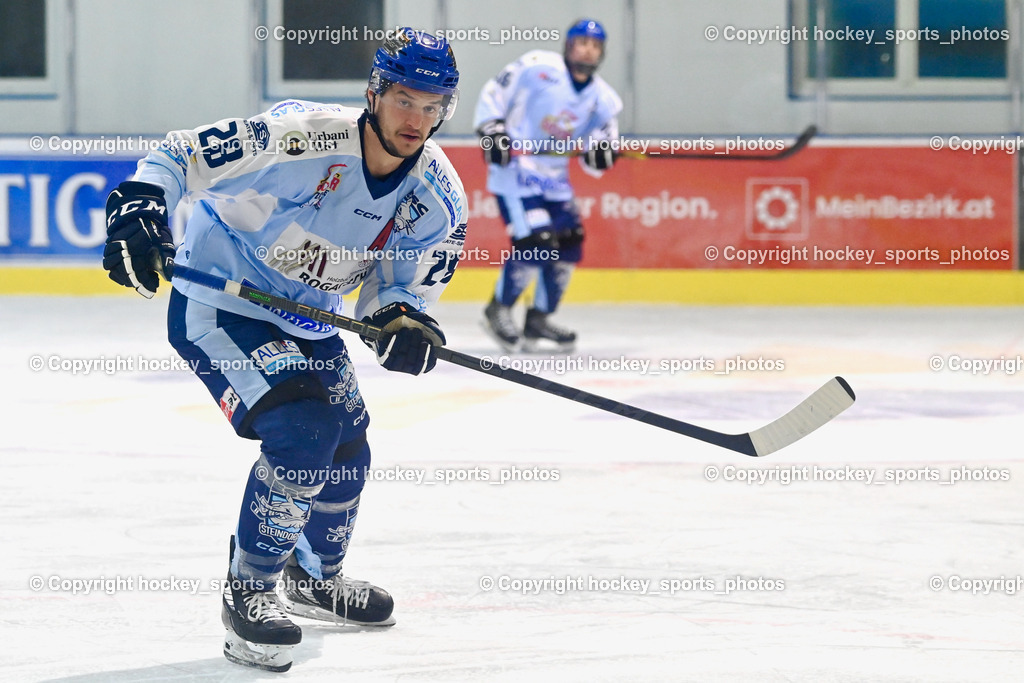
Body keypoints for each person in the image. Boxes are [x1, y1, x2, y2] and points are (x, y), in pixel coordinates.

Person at [101, 28, 466, 673]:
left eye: (432, 106)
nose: (416, 120)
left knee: (348, 442)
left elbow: (397, 289)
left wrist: (401, 321)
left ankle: (312, 576)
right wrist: (138, 207)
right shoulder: (304, 140)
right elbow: (181, 154)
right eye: (404, 100)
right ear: (374, 95)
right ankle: (248, 592)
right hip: (224, 303)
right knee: (304, 430)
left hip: (310, 319)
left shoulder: (436, 199)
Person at [475, 18, 622, 352]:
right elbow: (495, 93)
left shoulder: (604, 100)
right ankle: (497, 310)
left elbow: (597, 150)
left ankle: (538, 319)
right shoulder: (536, 67)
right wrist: (493, 129)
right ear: (568, 46)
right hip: (516, 174)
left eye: (595, 45)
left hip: (555, 181)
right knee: (536, 242)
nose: (588, 50)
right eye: (582, 42)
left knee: (569, 242)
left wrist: (601, 155)